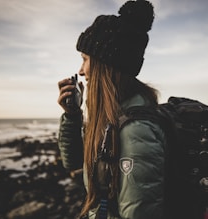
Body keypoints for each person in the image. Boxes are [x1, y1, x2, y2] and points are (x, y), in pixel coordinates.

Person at [57, 1, 166, 219]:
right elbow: (74, 162)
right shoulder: (113, 115)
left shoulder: (136, 132)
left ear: (104, 66)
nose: (81, 70)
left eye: (85, 60)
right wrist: (72, 116)